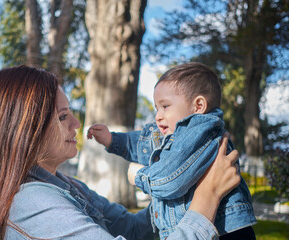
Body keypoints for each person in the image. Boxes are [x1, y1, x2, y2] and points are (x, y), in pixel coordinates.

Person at [0, 65, 241, 240]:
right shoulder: (32, 203)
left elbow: (133, 227)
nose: (77, 124)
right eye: (63, 116)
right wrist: (206, 199)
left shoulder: (64, 185)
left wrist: (187, 190)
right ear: (27, 130)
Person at [88, 62, 257, 239]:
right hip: (204, 226)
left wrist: (139, 176)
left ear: (198, 106)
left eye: (165, 106)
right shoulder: (173, 135)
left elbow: (171, 180)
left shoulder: (199, 132)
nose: (158, 115)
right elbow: (143, 145)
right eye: (156, 108)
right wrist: (113, 140)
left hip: (224, 230)